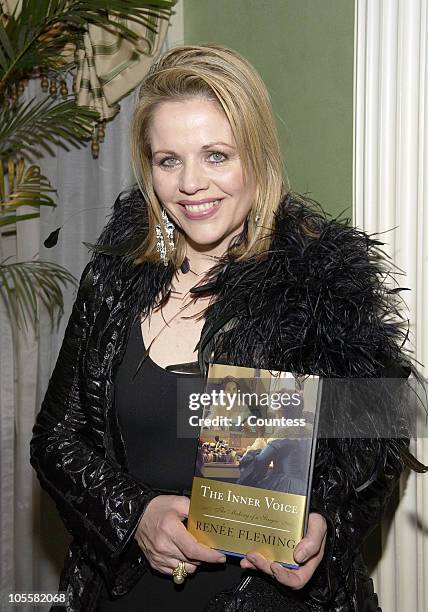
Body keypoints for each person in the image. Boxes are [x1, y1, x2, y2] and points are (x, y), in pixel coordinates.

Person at [30, 44, 426, 612]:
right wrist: (134, 514)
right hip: (122, 590)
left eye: (216, 155)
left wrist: (327, 529)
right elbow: (56, 442)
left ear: (257, 157)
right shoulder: (114, 278)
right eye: (169, 160)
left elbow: (381, 445)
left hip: (266, 598)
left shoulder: (320, 287)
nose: (190, 184)